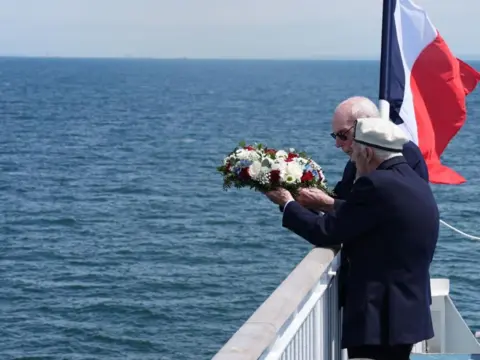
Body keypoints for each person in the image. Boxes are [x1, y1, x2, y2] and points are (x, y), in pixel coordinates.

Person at [264, 117, 439, 360]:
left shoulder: (376, 184)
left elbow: (327, 231)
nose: (353, 161)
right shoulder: (412, 179)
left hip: (381, 315)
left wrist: (287, 203)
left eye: (355, 154)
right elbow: (360, 220)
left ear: (367, 152)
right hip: (406, 310)